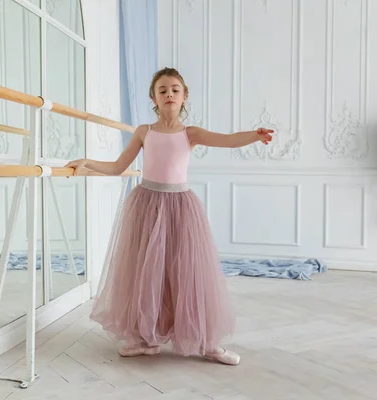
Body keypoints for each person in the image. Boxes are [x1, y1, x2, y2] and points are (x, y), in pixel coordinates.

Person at [65, 67, 273, 365]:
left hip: (180, 207)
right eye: (162, 90)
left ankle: (206, 342)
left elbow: (227, 140)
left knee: (188, 272)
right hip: (147, 204)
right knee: (146, 272)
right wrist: (86, 163)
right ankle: (146, 339)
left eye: (175, 89)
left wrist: (254, 135)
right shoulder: (144, 132)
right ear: (154, 97)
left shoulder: (191, 133)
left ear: (184, 96)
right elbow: (116, 166)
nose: (169, 94)